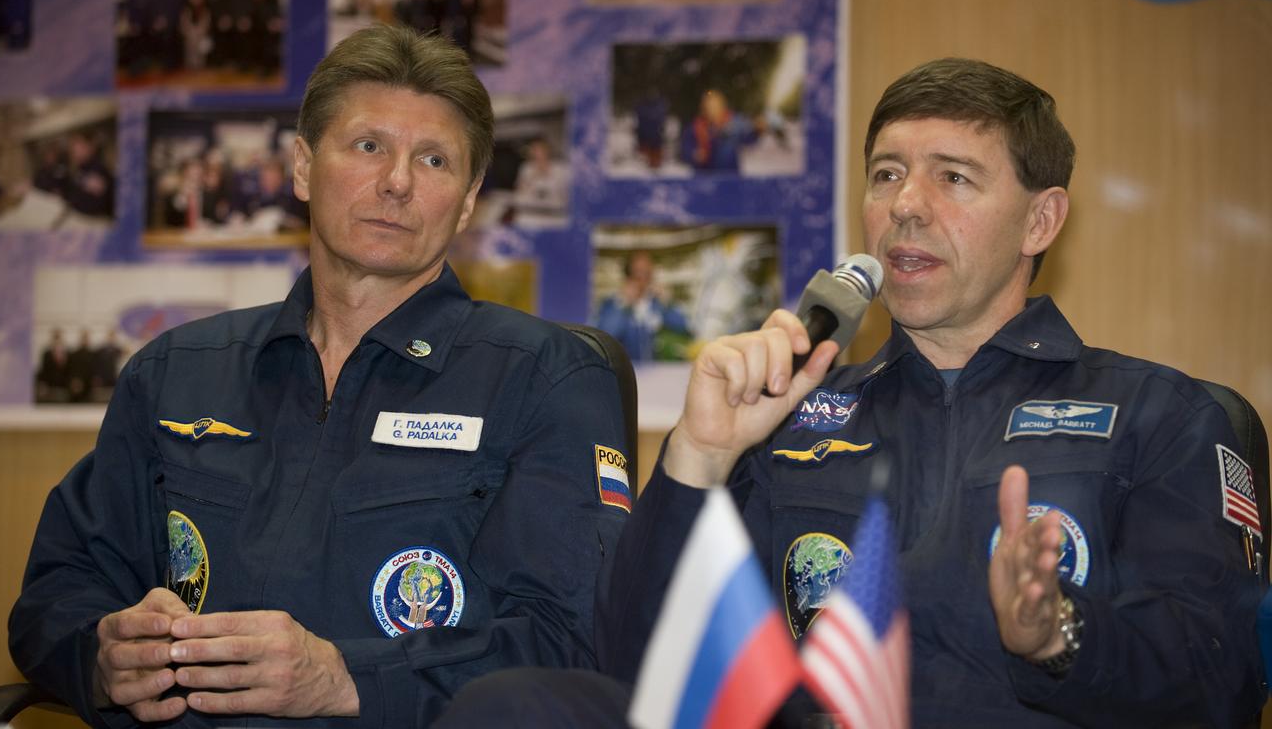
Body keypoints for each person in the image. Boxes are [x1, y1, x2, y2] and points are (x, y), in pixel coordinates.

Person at [442, 58, 1267, 727]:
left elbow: (1221, 677)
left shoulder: (1159, 415)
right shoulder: (795, 413)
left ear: (1040, 221)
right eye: (887, 174)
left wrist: (1058, 633)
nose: (906, 206)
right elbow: (640, 664)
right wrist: (698, 457)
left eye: (953, 178)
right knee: (516, 706)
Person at [10, 24, 631, 727]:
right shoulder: (173, 371)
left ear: (466, 200)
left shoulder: (547, 378)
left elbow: (575, 639)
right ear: (303, 167)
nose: (397, 181)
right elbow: (55, 592)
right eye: (369, 146)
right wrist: (101, 654)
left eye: (433, 160)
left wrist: (345, 678)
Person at [592, 250, 692, 362]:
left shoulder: (657, 303)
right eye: (638, 273)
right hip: (625, 371)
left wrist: (667, 303)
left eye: (647, 273)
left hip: (656, 371)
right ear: (628, 275)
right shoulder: (613, 303)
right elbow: (606, 334)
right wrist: (623, 304)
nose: (643, 279)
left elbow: (684, 327)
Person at [679, 89, 763, 173]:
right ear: (703, 107)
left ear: (722, 105)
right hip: (704, 177)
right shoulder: (695, 127)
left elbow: (748, 138)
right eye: (709, 106)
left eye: (715, 105)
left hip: (729, 177)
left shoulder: (734, 123)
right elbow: (684, 151)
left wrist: (757, 130)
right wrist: (694, 155)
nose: (712, 109)